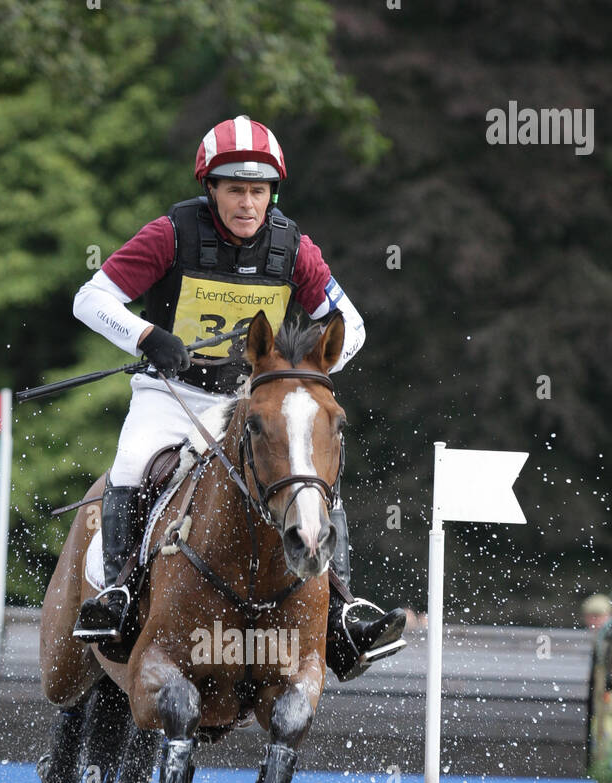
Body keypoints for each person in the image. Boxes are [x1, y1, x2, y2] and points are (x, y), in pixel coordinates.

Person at [70, 115, 405, 680]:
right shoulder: (170, 235)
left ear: (271, 194)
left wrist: (306, 377)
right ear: (211, 190)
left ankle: (344, 610)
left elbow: (352, 323)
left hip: (251, 403)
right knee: (129, 467)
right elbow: (91, 297)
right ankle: (120, 598)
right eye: (235, 190)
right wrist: (147, 337)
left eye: (258, 190)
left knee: (310, 479)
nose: (247, 203)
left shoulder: (293, 248)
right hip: (171, 396)